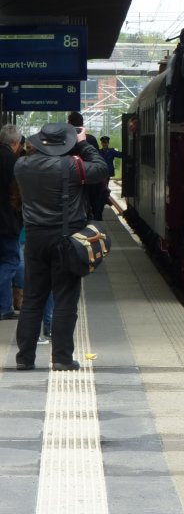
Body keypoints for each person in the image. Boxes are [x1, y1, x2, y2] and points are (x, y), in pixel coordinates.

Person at [14, 122, 108, 371]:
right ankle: (62, 358)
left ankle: (24, 358)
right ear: (64, 144)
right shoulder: (73, 166)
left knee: (33, 300)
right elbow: (101, 169)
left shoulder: (21, 165)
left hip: (34, 239)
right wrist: (83, 144)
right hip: (66, 240)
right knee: (65, 299)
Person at [0, 125, 23, 320]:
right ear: (15, 143)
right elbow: (17, 193)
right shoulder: (13, 162)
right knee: (11, 261)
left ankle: (5, 308)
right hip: (6, 221)